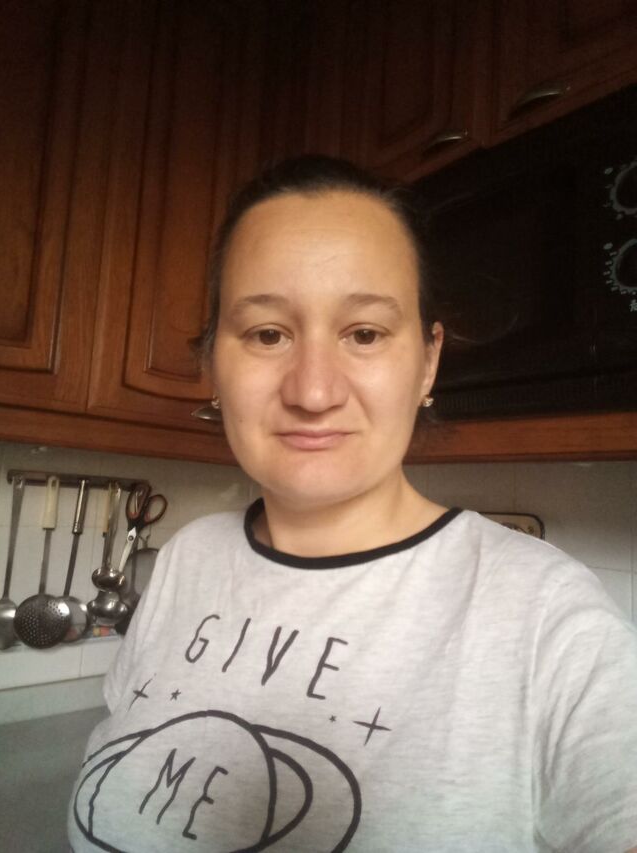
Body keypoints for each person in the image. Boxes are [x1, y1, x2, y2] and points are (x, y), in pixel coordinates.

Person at [68, 156, 637, 853]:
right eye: (268, 334)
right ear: (213, 362)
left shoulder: (547, 615)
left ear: (428, 361)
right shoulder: (190, 555)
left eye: (364, 333)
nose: (313, 391)